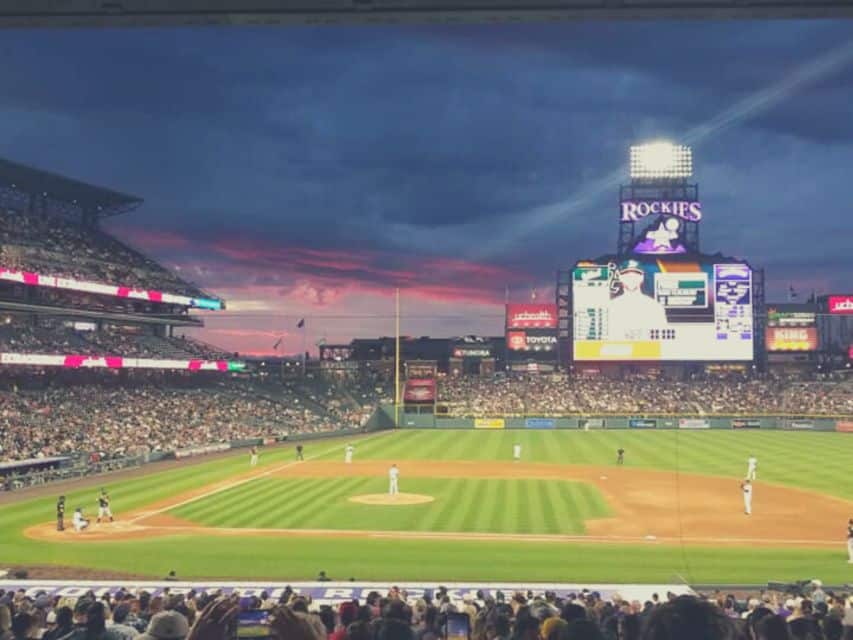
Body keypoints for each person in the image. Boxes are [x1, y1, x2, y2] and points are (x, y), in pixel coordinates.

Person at [607, 260, 669, 342]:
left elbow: (663, 340)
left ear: (642, 277)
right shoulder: (611, 307)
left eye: (635, 275)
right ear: (620, 278)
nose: (631, 278)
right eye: (627, 275)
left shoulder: (654, 307)